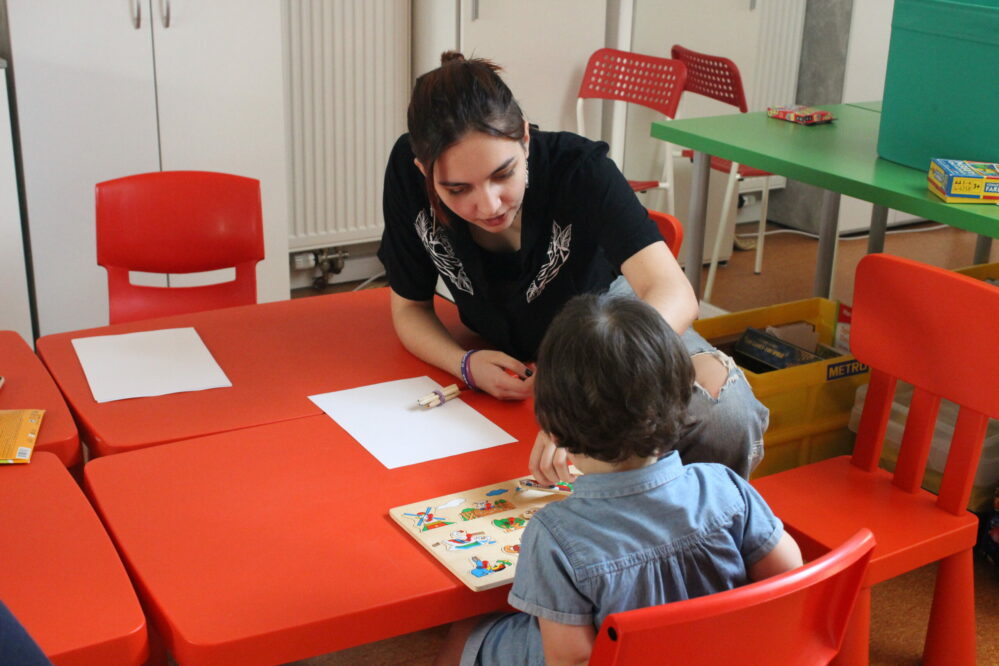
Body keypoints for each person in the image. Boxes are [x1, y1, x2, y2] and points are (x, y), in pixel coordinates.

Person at [378, 51, 768, 479]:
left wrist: (581, 386)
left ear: (525, 139)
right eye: (456, 189)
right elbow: (410, 307)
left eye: (503, 175)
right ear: (423, 171)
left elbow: (673, 293)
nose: (488, 204)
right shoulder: (406, 172)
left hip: (606, 327)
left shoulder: (580, 169)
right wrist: (465, 365)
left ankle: (705, 528)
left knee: (726, 412)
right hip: (508, 344)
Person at [433, 293, 803, 666]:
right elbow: (788, 579)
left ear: (552, 431)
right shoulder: (726, 487)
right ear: (681, 401)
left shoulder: (554, 537)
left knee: (467, 632)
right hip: (715, 652)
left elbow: (573, 660)